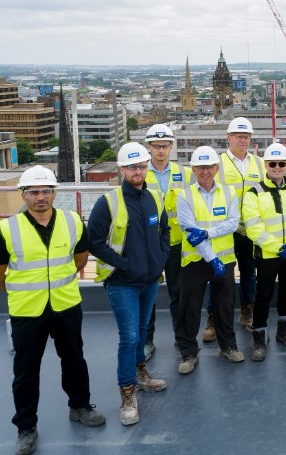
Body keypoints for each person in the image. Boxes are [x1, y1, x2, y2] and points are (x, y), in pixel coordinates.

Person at [0, 166, 104, 454]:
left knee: (75, 358)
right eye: (34, 192)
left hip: (66, 304)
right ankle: (26, 426)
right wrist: (25, 291)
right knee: (26, 370)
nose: (41, 197)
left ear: (54, 193)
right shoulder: (7, 230)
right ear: (23, 194)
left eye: (46, 191)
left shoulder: (73, 221)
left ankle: (79, 406)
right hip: (28, 311)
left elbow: (80, 259)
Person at [87, 142, 168, 426]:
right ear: (122, 169)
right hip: (122, 282)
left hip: (150, 280)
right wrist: (124, 264)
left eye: (142, 166)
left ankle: (140, 374)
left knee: (143, 331)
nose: (138, 171)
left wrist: (160, 259)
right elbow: (94, 242)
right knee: (129, 337)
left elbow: (164, 231)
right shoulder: (107, 202)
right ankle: (127, 392)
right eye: (132, 167)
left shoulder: (154, 198)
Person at [173, 146, 244, 374]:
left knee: (225, 306)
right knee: (189, 308)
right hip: (195, 262)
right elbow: (189, 231)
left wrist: (207, 233)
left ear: (217, 168)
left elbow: (232, 223)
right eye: (201, 167)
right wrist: (212, 256)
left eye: (210, 167)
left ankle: (228, 346)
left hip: (224, 260)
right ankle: (188, 353)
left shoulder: (230, 193)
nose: (205, 172)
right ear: (193, 169)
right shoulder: (184, 196)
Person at [242, 143, 286, 361]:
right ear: (266, 165)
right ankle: (259, 336)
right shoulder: (254, 193)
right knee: (263, 295)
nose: (277, 167)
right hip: (267, 255)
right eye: (273, 163)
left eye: (281, 163)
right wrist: (277, 247)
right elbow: (253, 227)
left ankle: (283, 330)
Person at [141, 123, 192, 362]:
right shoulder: (140, 173)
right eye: (156, 146)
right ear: (148, 147)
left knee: (178, 294)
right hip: (148, 244)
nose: (161, 150)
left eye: (165, 146)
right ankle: (146, 341)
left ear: (171, 147)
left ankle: (182, 339)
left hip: (176, 243)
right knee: (147, 295)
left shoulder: (185, 174)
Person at [219, 117, 264, 333]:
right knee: (220, 274)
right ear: (229, 138)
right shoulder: (218, 163)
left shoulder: (259, 163)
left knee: (249, 273)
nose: (243, 140)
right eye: (239, 136)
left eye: (246, 137)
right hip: (225, 231)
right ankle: (214, 316)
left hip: (250, 230)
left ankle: (247, 312)